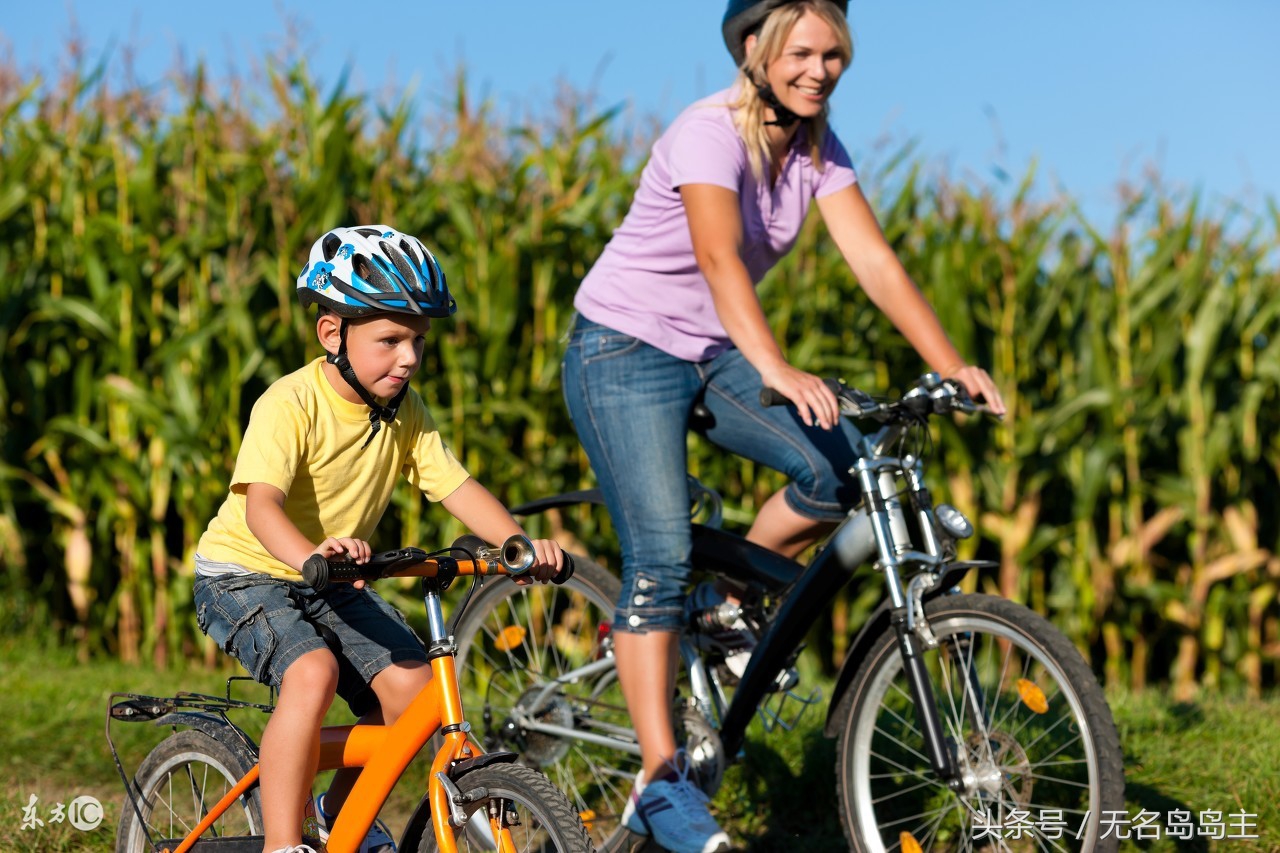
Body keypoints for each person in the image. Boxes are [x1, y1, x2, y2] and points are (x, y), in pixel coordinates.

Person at [560, 2, 1007, 851]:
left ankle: (726, 607)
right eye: (802, 51)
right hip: (622, 350)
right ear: (758, 52)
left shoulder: (817, 150)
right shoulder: (708, 132)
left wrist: (948, 363)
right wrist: (773, 366)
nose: (820, 67)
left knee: (848, 467)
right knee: (657, 554)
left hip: (712, 350)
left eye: (835, 52)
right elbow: (720, 256)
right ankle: (661, 782)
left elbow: (873, 259)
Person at [193, 225, 566, 853]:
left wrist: (517, 545)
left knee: (415, 692)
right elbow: (261, 508)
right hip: (246, 573)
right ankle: (284, 845)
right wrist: (310, 555)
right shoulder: (290, 404)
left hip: (330, 578)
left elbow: (456, 487)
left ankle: (338, 819)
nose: (409, 358)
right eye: (390, 340)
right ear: (333, 334)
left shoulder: (404, 411)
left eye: (418, 341)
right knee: (310, 676)